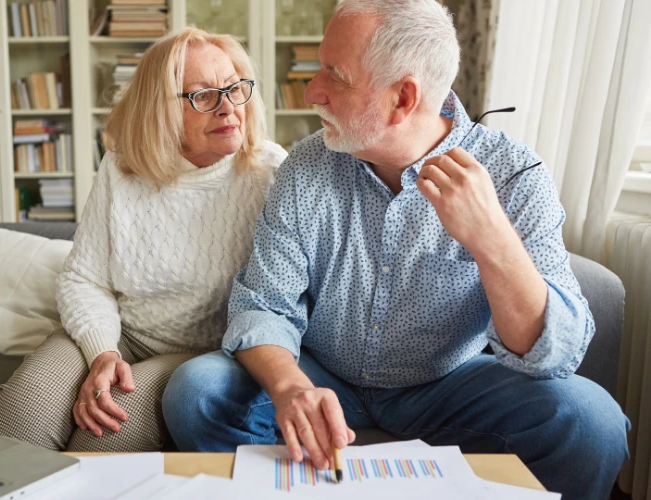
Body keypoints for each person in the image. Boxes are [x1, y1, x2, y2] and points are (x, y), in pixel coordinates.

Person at [161, 1, 630, 498]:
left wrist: (493, 241)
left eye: (334, 76)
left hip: (452, 384)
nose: (312, 91)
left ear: (402, 98)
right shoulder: (306, 166)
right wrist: (290, 387)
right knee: (197, 393)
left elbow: (555, 355)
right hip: (323, 375)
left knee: (592, 424)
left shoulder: (514, 174)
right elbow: (263, 305)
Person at [0, 27, 287, 453]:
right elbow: (85, 279)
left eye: (235, 88)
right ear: (161, 109)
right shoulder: (121, 167)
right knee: (23, 414)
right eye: (203, 95)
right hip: (122, 334)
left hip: (204, 355)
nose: (228, 107)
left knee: (103, 433)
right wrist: (102, 353)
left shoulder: (271, 173)